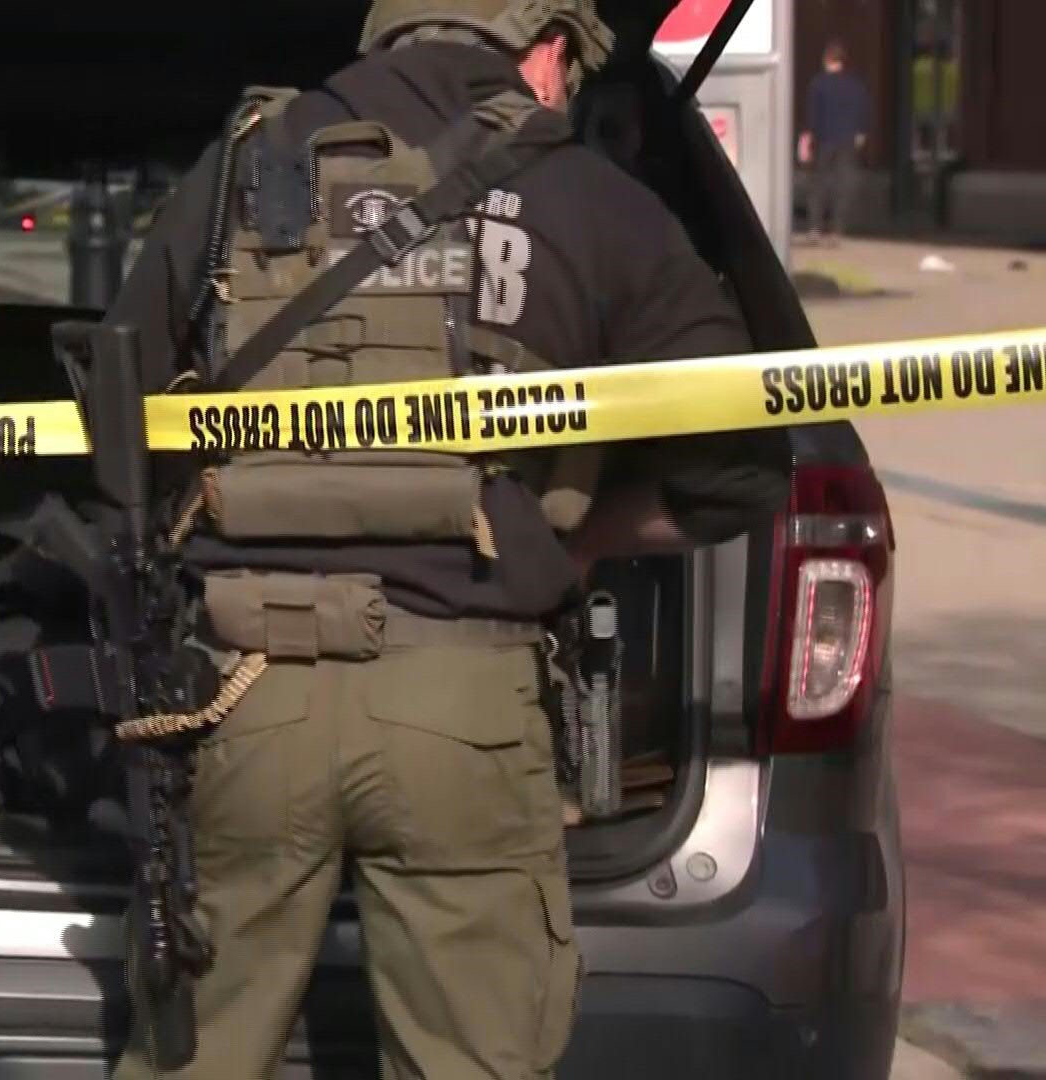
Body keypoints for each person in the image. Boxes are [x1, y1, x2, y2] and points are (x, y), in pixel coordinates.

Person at [100, 2, 795, 1078]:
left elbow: (118, 409)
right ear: (548, 52)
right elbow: (741, 466)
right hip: (466, 714)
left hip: (242, 693)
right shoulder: (594, 201)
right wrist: (584, 536)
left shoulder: (240, 170)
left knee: (194, 1057)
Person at [800, 39, 872, 246]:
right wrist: (860, 134)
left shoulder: (818, 84)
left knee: (818, 184)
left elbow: (812, 115)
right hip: (848, 140)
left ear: (827, 59)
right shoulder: (855, 85)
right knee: (843, 185)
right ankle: (837, 230)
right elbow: (863, 111)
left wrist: (807, 139)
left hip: (824, 139)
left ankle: (815, 228)